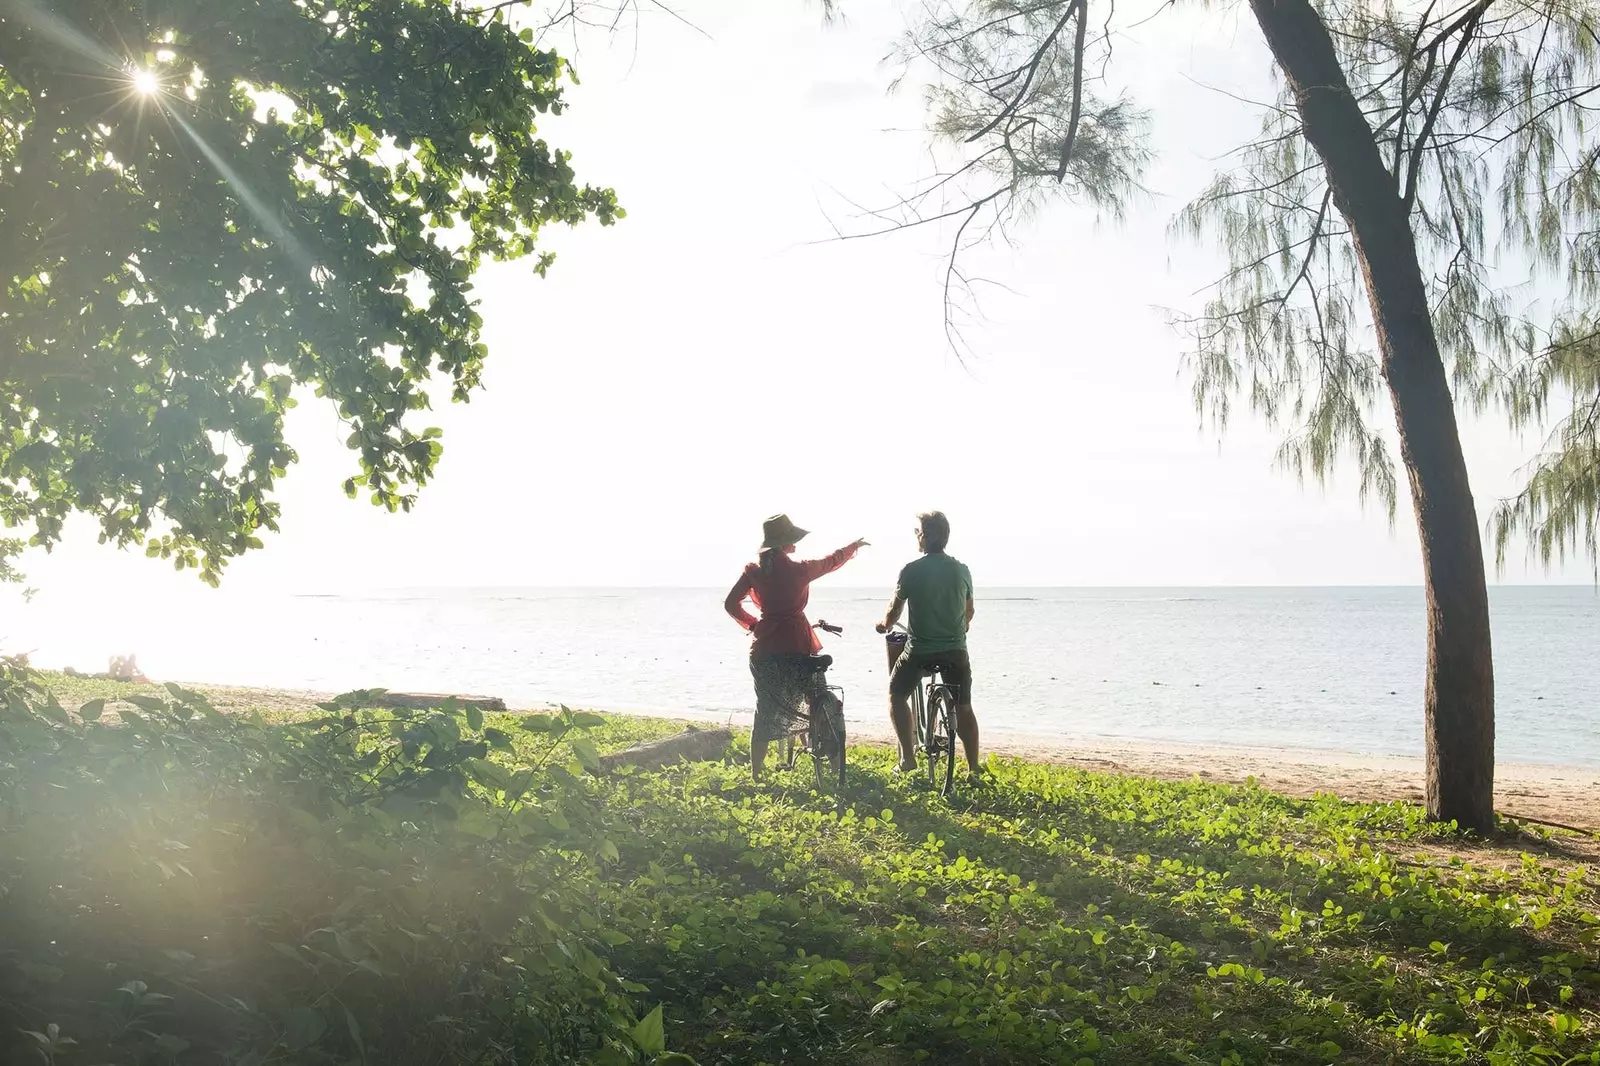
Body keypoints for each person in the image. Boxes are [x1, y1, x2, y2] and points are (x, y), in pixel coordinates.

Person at [725, 514, 868, 779]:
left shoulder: (754, 572)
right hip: (798, 645)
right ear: (786, 542)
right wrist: (853, 548)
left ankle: (757, 774)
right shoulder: (800, 570)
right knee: (816, 697)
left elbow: (731, 604)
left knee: (766, 709)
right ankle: (835, 768)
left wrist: (754, 625)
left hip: (766, 649)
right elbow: (831, 562)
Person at [875, 510, 980, 775]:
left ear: (925, 535)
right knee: (964, 706)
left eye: (917, 532)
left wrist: (884, 625)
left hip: (920, 652)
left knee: (896, 695)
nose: (916, 537)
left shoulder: (911, 571)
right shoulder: (962, 570)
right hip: (956, 651)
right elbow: (969, 611)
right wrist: (962, 626)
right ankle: (973, 768)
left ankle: (908, 760)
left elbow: (894, 611)